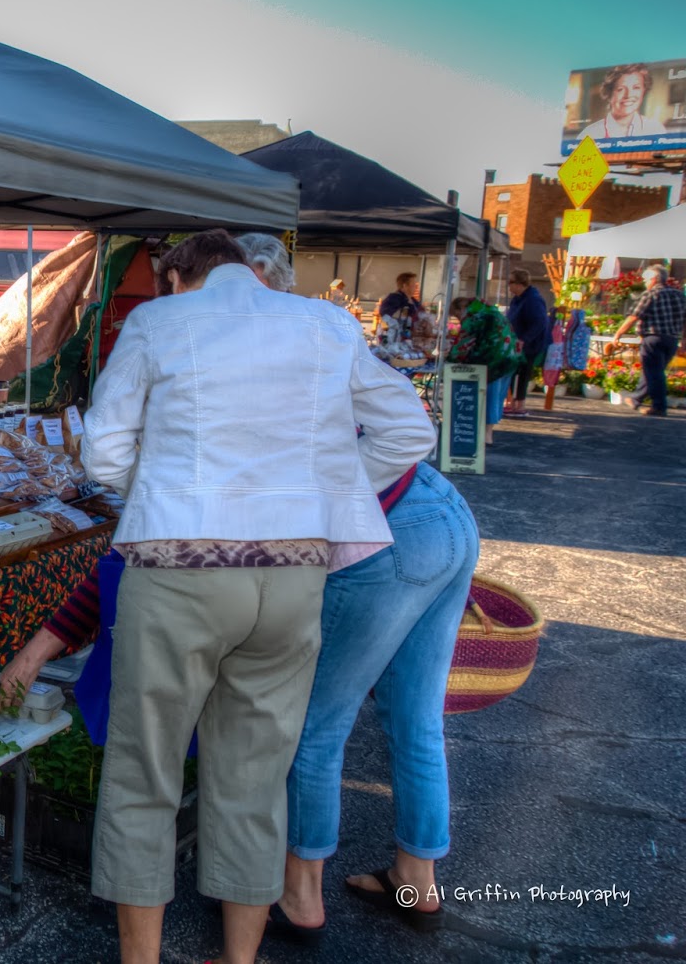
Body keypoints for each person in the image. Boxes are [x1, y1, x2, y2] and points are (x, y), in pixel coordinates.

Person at [78, 230, 434, 964]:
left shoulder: (158, 320)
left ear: (182, 276)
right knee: (255, 778)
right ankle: (239, 960)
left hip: (180, 567)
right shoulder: (327, 323)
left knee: (145, 771)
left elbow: (103, 453)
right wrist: (326, 493)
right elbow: (408, 429)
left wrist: (161, 494)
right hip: (293, 574)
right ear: (249, 270)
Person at [605, 264, 684, 416]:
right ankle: (636, 398)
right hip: (672, 340)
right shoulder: (679, 295)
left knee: (654, 372)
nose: (644, 282)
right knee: (653, 370)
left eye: (645, 279)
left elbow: (633, 316)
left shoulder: (651, 294)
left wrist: (618, 334)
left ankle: (659, 406)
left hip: (653, 338)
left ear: (654, 279)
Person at [446, 295, 520, 444]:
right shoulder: (490, 311)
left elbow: (463, 345)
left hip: (493, 360)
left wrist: (449, 358)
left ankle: (486, 435)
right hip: (510, 357)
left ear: (461, 309)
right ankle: (489, 432)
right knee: (498, 397)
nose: (458, 319)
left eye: (457, 315)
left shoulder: (474, 317)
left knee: (490, 396)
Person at [578, 64, 667, 141]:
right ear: (609, 93)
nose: (628, 95)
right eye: (621, 89)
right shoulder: (589, 134)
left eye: (636, 87)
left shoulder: (656, 129)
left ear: (644, 91)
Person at [504, 269, 550, 415]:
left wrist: (525, 339)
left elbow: (540, 322)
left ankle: (519, 404)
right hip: (516, 341)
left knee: (523, 373)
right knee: (512, 371)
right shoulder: (517, 299)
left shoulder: (532, 299)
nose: (508, 285)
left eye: (511, 282)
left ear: (520, 284)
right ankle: (511, 401)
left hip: (528, 344)